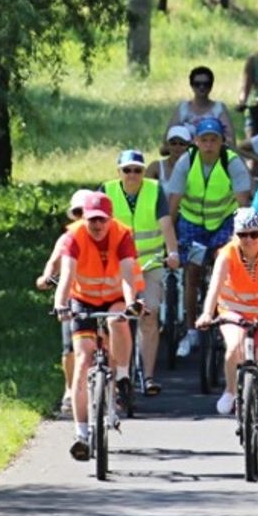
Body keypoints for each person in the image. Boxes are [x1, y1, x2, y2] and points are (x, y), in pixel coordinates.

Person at [196, 208, 258, 457]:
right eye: (243, 235)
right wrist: (207, 314)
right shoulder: (227, 253)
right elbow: (214, 288)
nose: (249, 240)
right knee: (234, 347)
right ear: (235, 235)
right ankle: (231, 391)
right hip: (235, 310)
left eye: (254, 234)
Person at [52, 192, 141, 460]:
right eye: (92, 220)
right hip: (83, 300)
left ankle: (123, 375)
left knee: (117, 320)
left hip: (115, 297)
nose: (97, 225)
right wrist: (60, 304)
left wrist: (131, 303)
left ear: (110, 219)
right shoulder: (73, 237)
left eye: (102, 220)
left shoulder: (122, 235)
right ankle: (81, 434)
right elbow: (66, 276)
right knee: (83, 359)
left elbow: (127, 275)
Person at [167, 117, 253, 357]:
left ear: (221, 141)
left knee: (222, 266)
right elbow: (174, 199)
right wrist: (169, 233)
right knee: (192, 270)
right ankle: (191, 329)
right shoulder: (187, 160)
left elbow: (242, 201)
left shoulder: (232, 162)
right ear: (196, 141)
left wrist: (241, 235)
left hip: (224, 222)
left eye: (213, 139)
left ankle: (225, 320)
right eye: (204, 139)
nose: (208, 144)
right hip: (193, 223)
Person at [102, 150, 181, 397]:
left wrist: (173, 253)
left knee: (150, 314)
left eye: (137, 170)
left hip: (149, 264)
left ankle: (148, 377)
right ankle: (117, 376)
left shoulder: (154, 189)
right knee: (116, 319)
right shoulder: (106, 190)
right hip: (116, 266)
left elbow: (166, 224)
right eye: (127, 170)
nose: (133, 175)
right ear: (119, 172)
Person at [36, 189, 93, 414]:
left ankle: (115, 386)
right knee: (69, 347)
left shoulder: (106, 237)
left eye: (86, 212)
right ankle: (70, 388)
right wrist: (46, 277)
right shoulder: (67, 238)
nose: (82, 217)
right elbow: (54, 262)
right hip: (75, 298)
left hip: (102, 297)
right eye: (78, 212)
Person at [164, 66, 237, 146]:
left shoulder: (218, 108)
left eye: (206, 84)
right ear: (191, 85)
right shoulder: (183, 108)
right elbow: (168, 138)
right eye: (197, 84)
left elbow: (231, 140)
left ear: (211, 85)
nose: (202, 87)